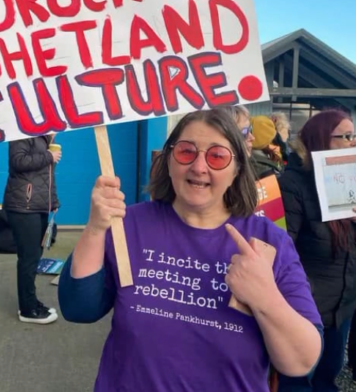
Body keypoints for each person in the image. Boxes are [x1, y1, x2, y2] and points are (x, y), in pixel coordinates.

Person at [58, 109, 323, 391]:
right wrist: (96, 228)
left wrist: (265, 298)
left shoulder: (268, 241)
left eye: (217, 156)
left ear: (236, 169)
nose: (199, 167)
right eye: (186, 152)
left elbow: (301, 363)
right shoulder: (127, 224)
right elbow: (79, 308)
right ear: (169, 160)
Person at [278, 109, 356, 391]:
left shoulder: (352, 181)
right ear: (321, 139)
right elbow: (282, 248)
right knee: (297, 382)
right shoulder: (292, 184)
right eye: (345, 136)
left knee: (327, 378)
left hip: (342, 306)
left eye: (354, 136)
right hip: (304, 310)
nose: (353, 143)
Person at [2, 135, 61, 324]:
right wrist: (49, 156)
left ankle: (31, 302)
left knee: (34, 256)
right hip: (23, 206)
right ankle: (27, 310)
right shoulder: (22, 133)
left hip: (38, 206)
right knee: (28, 258)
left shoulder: (44, 141)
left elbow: (47, 177)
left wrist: (53, 201)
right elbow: (18, 161)